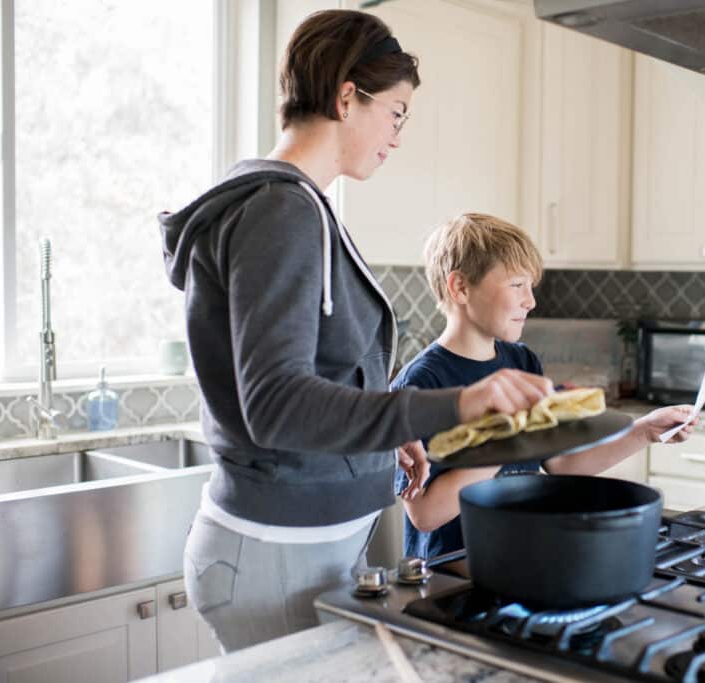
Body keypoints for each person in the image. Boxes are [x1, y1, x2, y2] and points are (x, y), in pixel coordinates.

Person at [158, 11, 551, 652]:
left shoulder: (299, 206)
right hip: (274, 558)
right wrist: (457, 403)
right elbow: (275, 403)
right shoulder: (282, 211)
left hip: (295, 551)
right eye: (396, 113)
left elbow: (312, 381)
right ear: (347, 97)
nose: (397, 136)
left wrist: (377, 441)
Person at [392, 213, 697, 560]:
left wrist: (643, 432)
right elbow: (425, 514)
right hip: (451, 578)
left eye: (530, 286)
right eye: (516, 285)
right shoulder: (421, 383)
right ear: (460, 287)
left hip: (521, 561)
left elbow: (562, 464)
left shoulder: (522, 362)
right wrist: (505, 445)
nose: (530, 301)